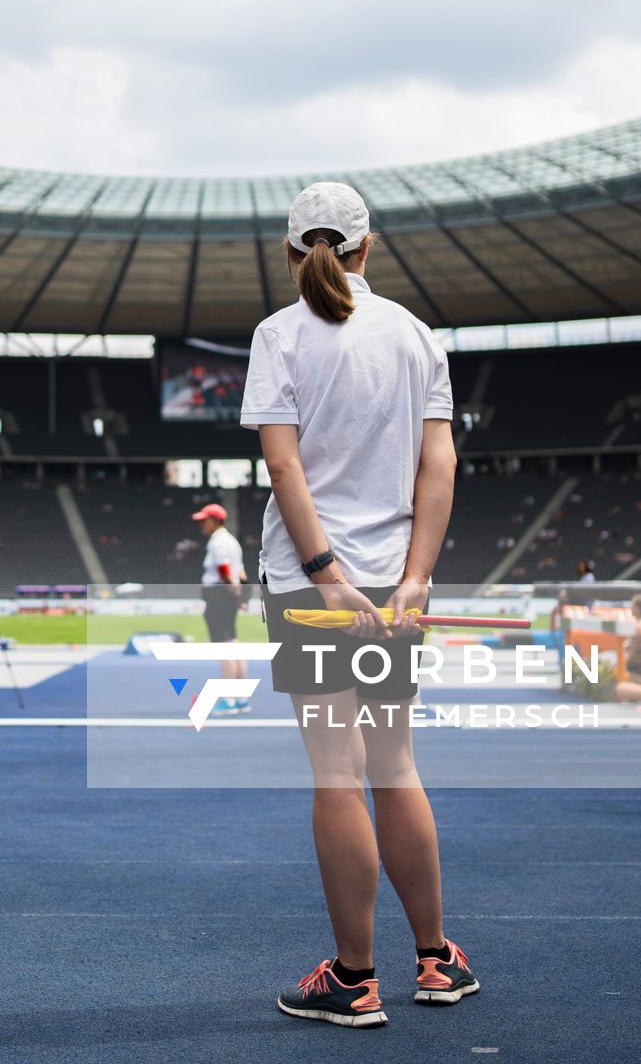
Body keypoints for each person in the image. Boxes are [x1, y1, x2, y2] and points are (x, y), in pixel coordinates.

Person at [240, 182, 475, 1028]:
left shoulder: (279, 336)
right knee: (396, 767)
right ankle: (437, 961)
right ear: (369, 247)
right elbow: (438, 469)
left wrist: (324, 574)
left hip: (317, 587)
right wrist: (413, 578)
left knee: (337, 775)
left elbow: (286, 470)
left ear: (291, 252)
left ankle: (353, 978)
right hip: (393, 580)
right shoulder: (415, 336)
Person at [193, 503, 249, 716]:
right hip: (227, 593)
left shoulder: (218, 542)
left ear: (215, 521)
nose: (201, 525)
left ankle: (228, 699)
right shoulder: (232, 541)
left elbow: (224, 569)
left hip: (219, 593)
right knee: (233, 642)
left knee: (224, 646)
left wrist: (228, 588)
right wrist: (241, 595)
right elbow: (241, 573)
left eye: (204, 520)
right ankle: (241, 697)